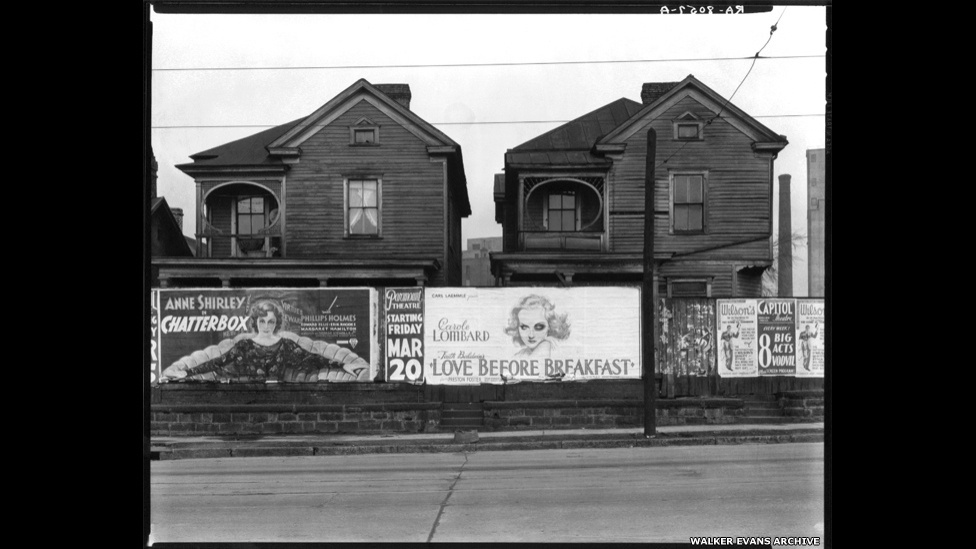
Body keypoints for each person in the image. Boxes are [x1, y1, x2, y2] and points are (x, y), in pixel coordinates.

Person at [161, 300, 347, 382]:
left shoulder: (286, 345)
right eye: (262, 321)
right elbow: (217, 363)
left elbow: (312, 358)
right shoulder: (244, 346)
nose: (266, 326)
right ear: (256, 322)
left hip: (279, 401)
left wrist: (342, 365)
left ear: (277, 323)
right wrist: (186, 373)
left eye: (271, 321)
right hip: (247, 396)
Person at [505, 295, 570, 358]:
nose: (531, 335)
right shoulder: (518, 356)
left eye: (539, 327)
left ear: (550, 326)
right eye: (524, 327)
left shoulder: (549, 346)